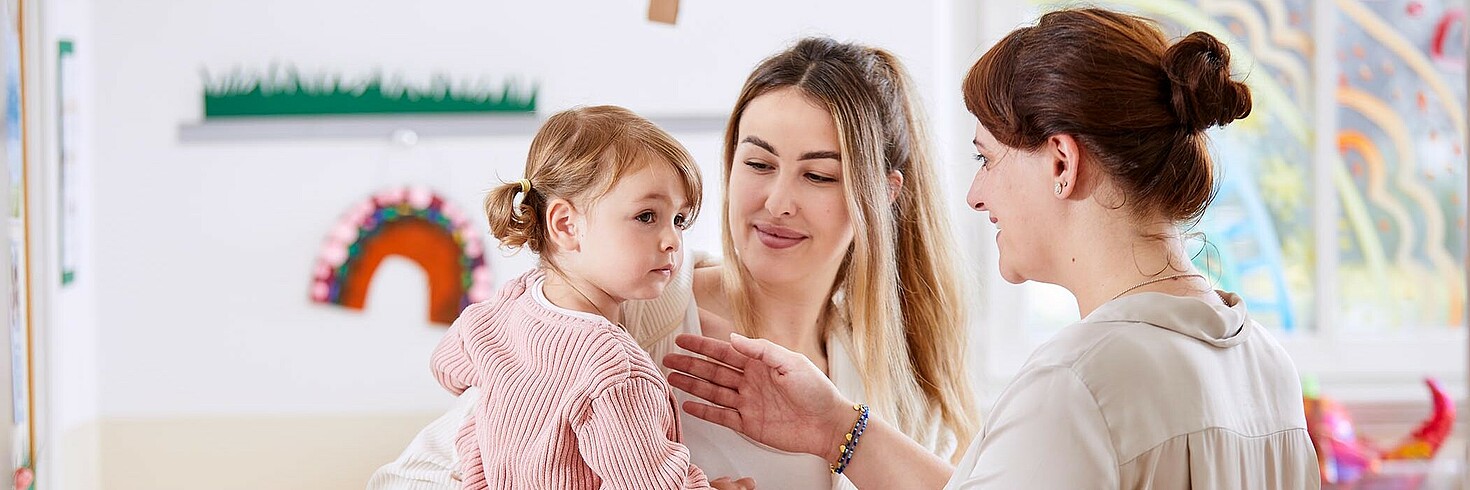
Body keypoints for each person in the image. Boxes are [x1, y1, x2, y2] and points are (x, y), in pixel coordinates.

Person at [664, 8, 1321, 489]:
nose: (975, 196)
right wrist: (838, 427)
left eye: (988, 158)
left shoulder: (1077, 386)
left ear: (1062, 162)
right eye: (757, 162)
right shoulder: (1270, 372)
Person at [368, 37, 980, 490]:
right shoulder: (626, 312)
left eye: (818, 175)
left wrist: (843, 430)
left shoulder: (893, 366)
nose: (776, 203)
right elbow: (409, 478)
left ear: (885, 194)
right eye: (758, 164)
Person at [427, 105, 749, 489]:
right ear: (566, 225)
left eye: (679, 220)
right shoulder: (614, 370)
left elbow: (446, 365)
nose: (672, 241)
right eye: (647, 216)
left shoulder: (509, 304)